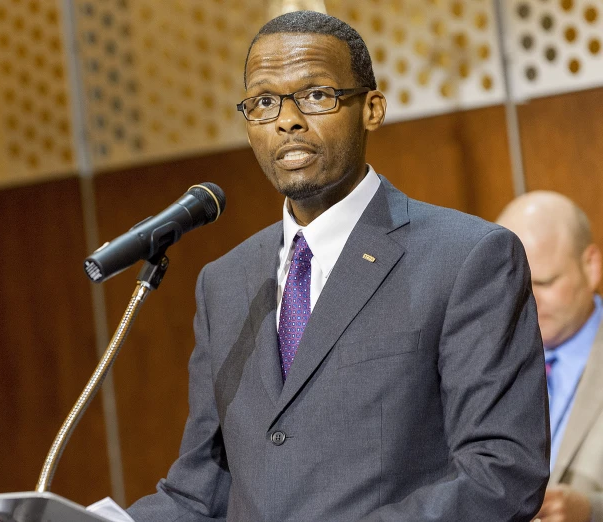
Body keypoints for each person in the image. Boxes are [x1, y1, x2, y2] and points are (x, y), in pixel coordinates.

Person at [128, 11, 549, 521]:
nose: (287, 120)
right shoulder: (225, 282)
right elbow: (203, 490)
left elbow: (501, 474)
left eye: (316, 95)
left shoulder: (467, 258)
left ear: (371, 109)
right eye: (264, 102)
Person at [498, 192, 603, 522]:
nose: (526, 300)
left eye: (544, 282)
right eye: (513, 284)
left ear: (591, 266)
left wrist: (591, 510)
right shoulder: (480, 358)